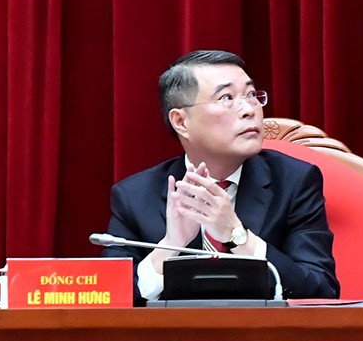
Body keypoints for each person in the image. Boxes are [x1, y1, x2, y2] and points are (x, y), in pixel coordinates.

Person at [106, 50, 338, 304]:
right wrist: (169, 246)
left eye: (251, 95)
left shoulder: (295, 181)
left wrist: (237, 236)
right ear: (181, 121)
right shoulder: (134, 197)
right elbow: (109, 299)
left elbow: (321, 289)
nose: (249, 109)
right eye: (226, 97)